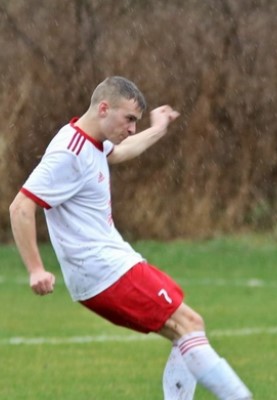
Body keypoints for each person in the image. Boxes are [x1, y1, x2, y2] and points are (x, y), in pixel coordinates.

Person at [9, 76, 252, 400]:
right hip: (104, 269)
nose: (132, 128)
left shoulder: (91, 142)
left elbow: (121, 152)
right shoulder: (69, 151)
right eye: (130, 119)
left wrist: (159, 128)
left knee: (188, 328)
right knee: (188, 324)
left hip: (107, 267)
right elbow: (21, 206)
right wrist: (36, 269)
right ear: (104, 108)